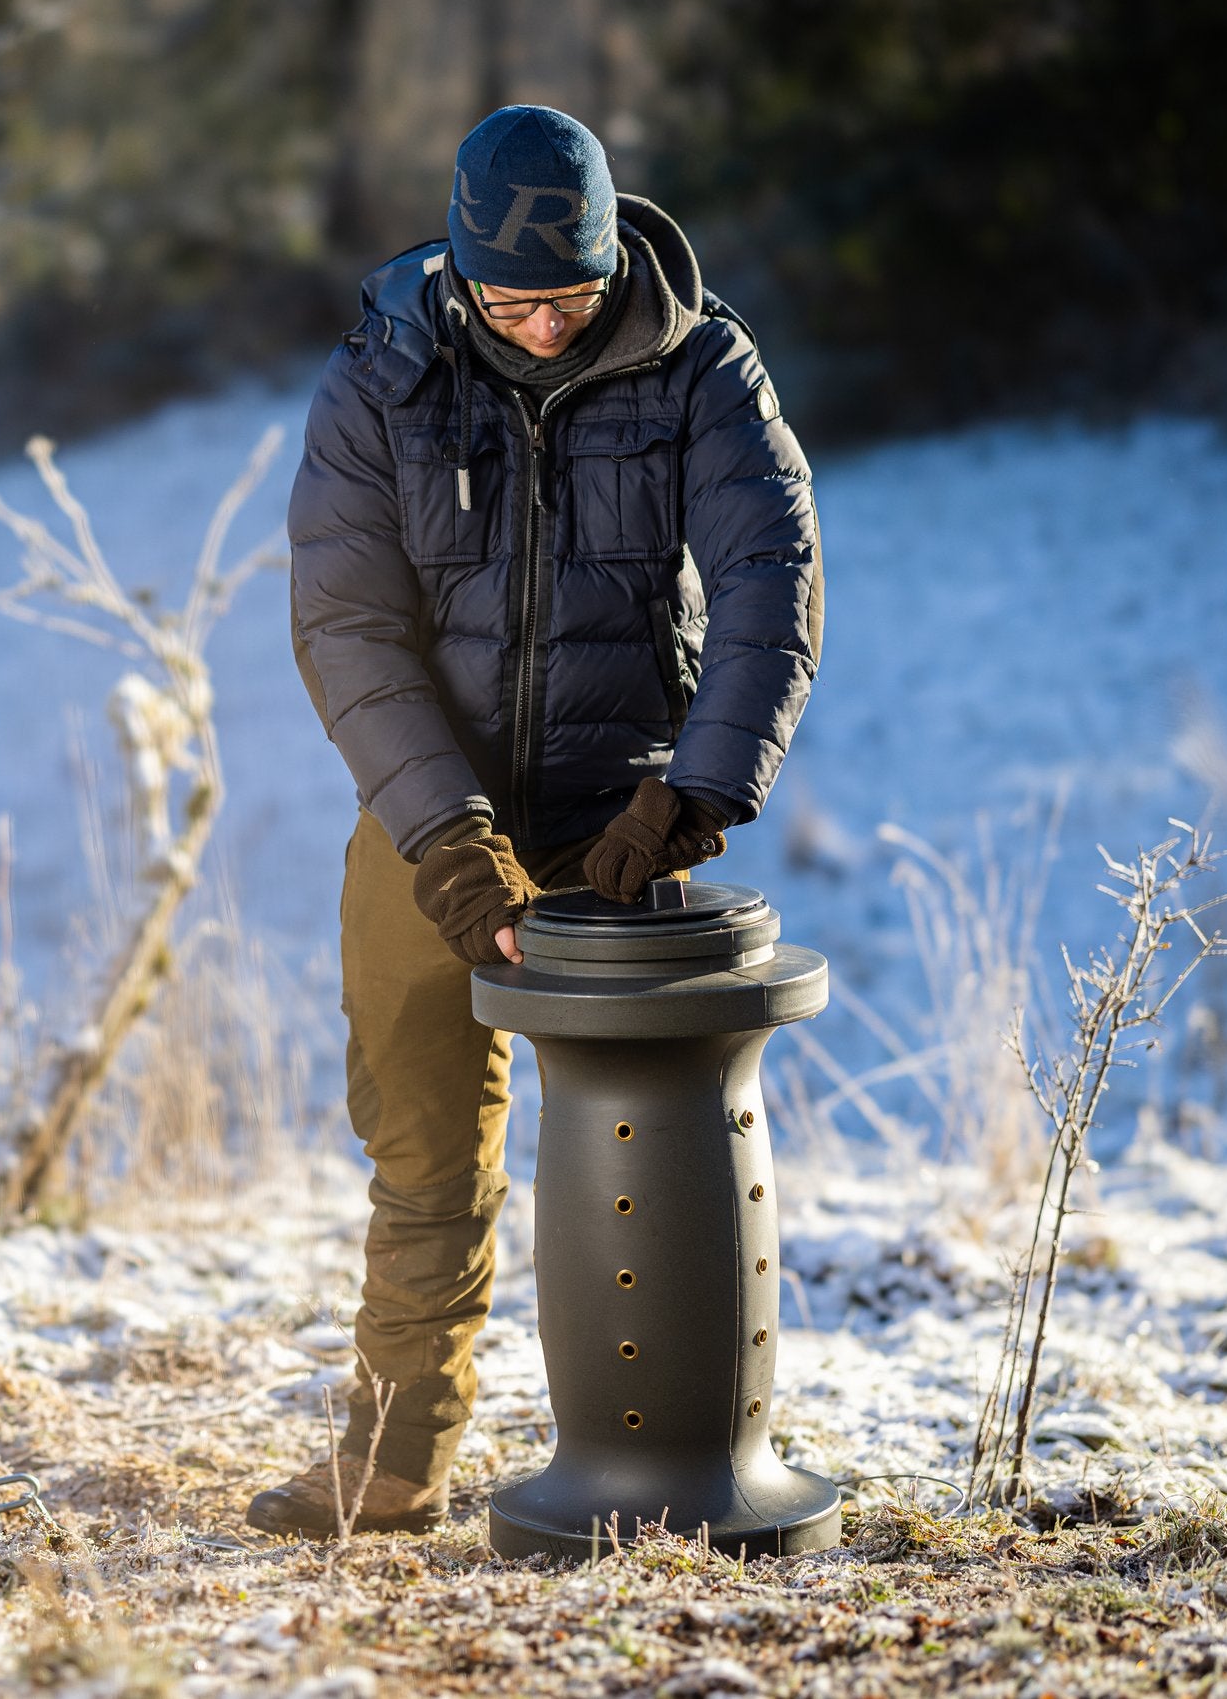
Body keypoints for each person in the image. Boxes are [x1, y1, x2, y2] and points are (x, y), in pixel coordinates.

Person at [249, 104, 824, 1538]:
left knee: (649, 1147)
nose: (548, 326)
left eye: (571, 296)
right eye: (514, 304)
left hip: (624, 821)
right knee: (424, 1157)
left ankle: (668, 1474)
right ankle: (395, 1463)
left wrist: (697, 790)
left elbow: (771, 575)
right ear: (459, 270)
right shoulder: (383, 377)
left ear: (613, 256)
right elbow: (346, 624)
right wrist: (446, 836)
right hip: (428, 823)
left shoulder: (701, 364)